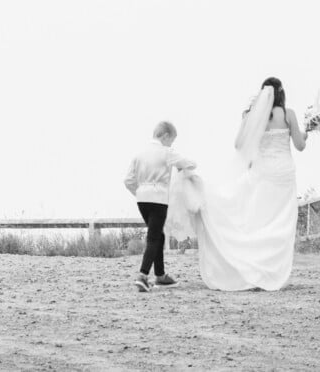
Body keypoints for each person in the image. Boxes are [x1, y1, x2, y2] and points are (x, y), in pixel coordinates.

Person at [168, 77, 308, 291]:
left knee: (257, 220)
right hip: (284, 174)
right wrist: (306, 134)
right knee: (281, 223)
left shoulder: (252, 116)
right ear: (281, 92)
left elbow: (239, 144)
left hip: (262, 172)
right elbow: (300, 146)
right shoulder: (288, 114)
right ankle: (270, 269)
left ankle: (249, 265)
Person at [123, 121, 196, 292]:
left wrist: (139, 191)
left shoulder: (139, 154)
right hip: (158, 199)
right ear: (165, 136)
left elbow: (128, 180)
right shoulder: (166, 152)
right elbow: (189, 163)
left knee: (159, 235)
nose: (172, 144)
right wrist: (181, 166)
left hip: (142, 199)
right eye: (172, 140)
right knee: (154, 238)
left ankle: (161, 276)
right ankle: (142, 276)